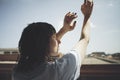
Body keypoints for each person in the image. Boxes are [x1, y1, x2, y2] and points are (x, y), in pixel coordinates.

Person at [12, 0, 93, 80]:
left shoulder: (18, 73)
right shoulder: (58, 70)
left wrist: (64, 29)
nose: (59, 41)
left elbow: (46, 44)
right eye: (54, 37)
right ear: (43, 44)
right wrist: (87, 15)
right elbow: (85, 39)